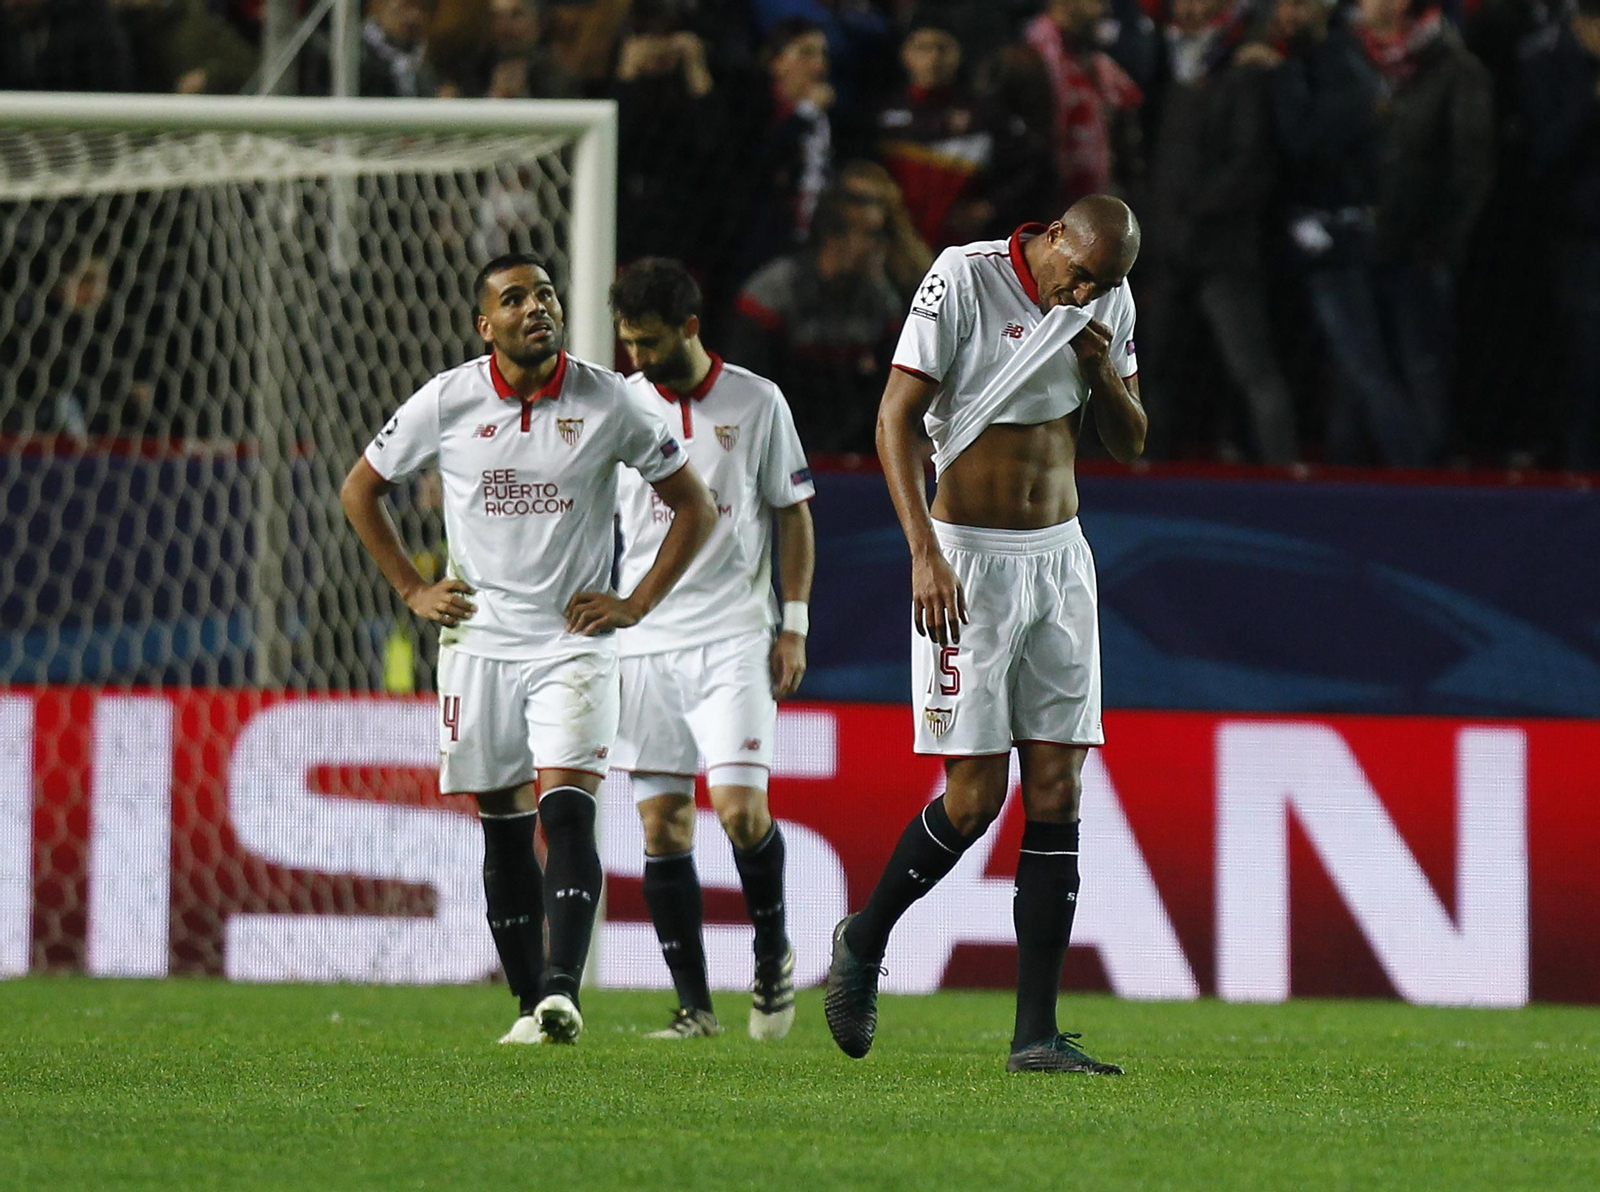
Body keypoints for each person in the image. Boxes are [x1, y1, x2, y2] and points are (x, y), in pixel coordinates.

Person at [340, 253, 716, 1045]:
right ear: (487, 324)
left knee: (570, 814)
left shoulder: (608, 400)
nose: (536, 307)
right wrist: (413, 589)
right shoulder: (448, 399)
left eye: (545, 294)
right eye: (515, 299)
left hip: (570, 644)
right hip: (476, 644)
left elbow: (695, 505)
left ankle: (561, 993)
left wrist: (636, 602)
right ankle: (526, 1009)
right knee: (503, 828)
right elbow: (359, 489)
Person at [823, 195, 1144, 1075]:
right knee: (973, 798)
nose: (1085, 289)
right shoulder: (963, 278)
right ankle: (864, 935)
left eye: (1104, 282)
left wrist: (1106, 372)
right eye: (1079, 271)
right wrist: (924, 554)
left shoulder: (1107, 300)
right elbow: (894, 419)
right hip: (967, 560)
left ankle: (1034, 1036)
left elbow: (1133, 440)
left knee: (1058, 787)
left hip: (1060, 561)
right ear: (1052, 237)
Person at [608, 257, 817, 1041]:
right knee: (662, 827)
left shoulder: (757, 402)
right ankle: (695, 1009)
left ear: (690, 329)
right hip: (643, 644)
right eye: (627, 342)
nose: (636, 358)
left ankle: (771, 955)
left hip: (733, 635)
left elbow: (792, 514)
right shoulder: (618, 404)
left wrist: (791, 621)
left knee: (738, 810)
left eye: (649, 342)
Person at [726, 187, 903, 453]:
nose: (880, 246)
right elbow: (747, 393)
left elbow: (892, 388)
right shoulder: (772, 295)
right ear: (832, 238)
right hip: (777, 442)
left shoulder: (879, 298)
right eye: (871, 235)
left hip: (851, 446)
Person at [1521, 0, 1600, 470]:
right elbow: (1543, 153)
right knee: (1585, 358)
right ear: (1583, 23)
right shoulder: (1544, 59)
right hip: (1579, 237)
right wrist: (1590, 103)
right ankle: (1580, 468)